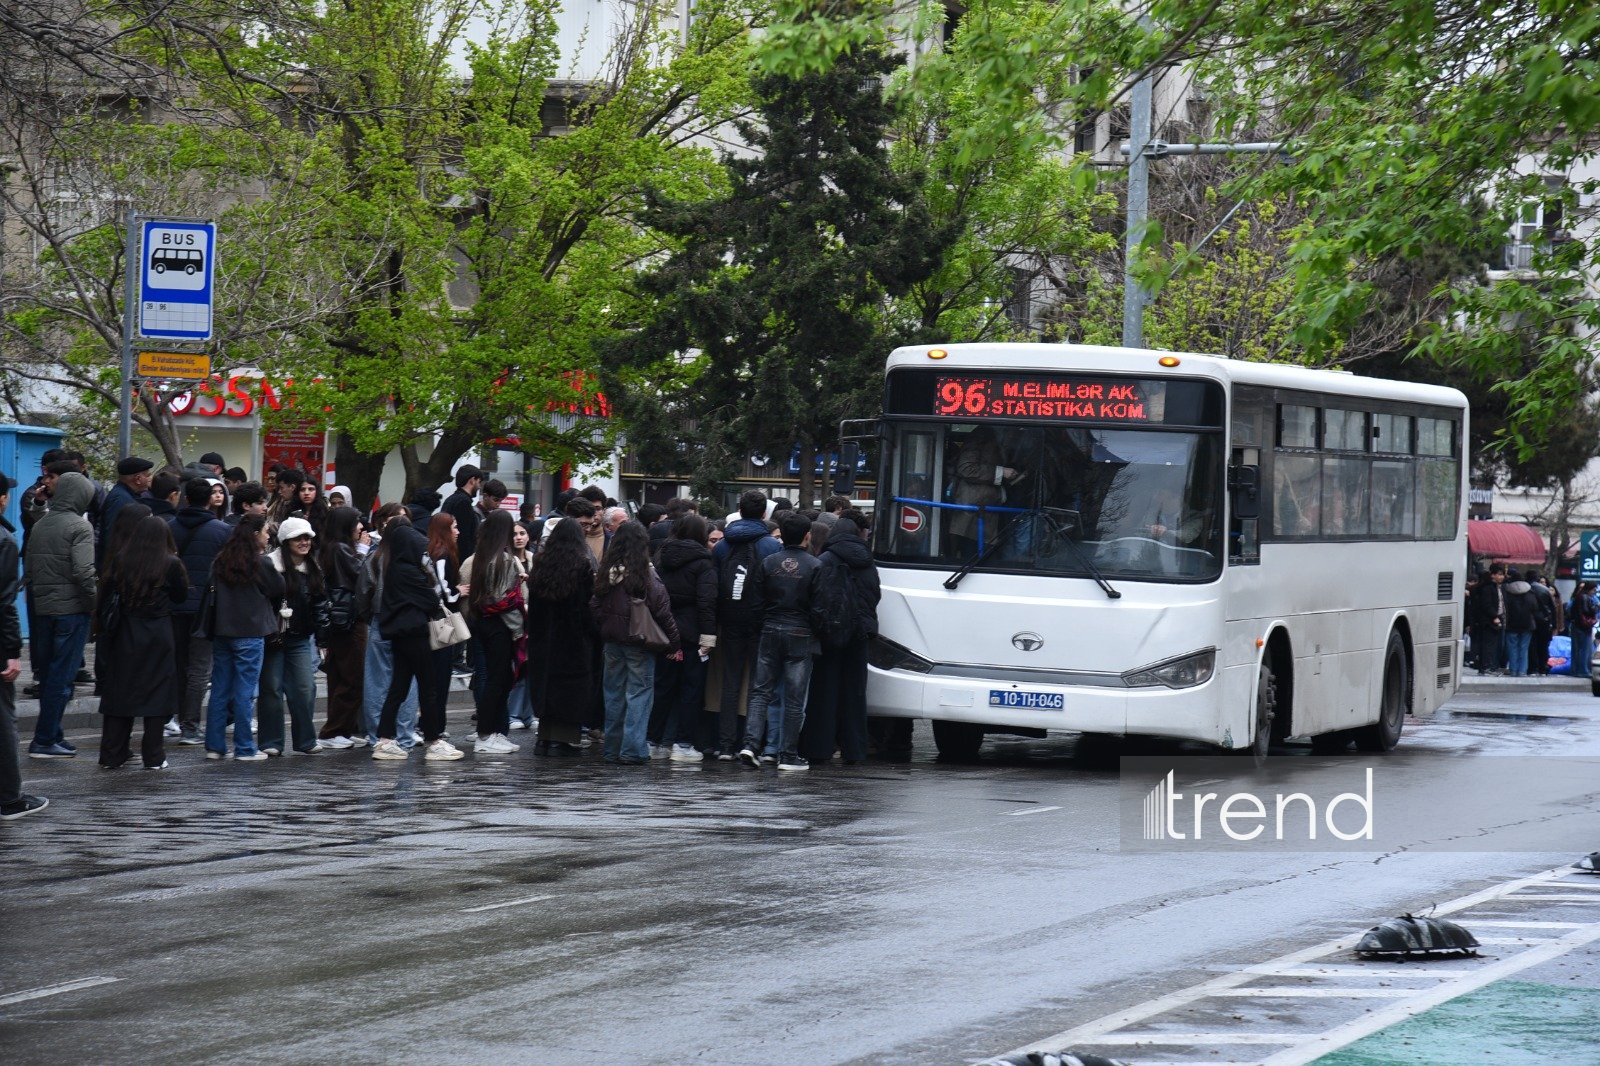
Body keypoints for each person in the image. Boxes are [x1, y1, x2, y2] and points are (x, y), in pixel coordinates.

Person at [95, 517, 188, 769]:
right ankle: (154, 755)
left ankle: (112, 752)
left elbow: (106, 593)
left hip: (125, 630)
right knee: (157, 693)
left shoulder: (121, 559)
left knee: (120, 690)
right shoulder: (171, 563)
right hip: (158, 632)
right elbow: (181, 596)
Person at [370, 518, 463, 761]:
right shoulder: (410, 572)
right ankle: (433, 740)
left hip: (402, 635)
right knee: (428, 687)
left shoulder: (394, 568)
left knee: (398, 687)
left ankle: (385, 739)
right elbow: (432, 600)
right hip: (415, 634)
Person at [23, 470, 98, 758]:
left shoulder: (42, 523)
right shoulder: (80, 527)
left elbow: (30, 566)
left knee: (48, 673)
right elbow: (83, 571)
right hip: (72, 610)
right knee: (62, 677)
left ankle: (53, 733)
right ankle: (44, 739)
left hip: (43, 608)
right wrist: (92, 601)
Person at [590, 521, 679, 764]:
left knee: (613, 695)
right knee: (639, 695)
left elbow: (594, 605)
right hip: (639, 642)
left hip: (612, 642)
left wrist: (607, 625)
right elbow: (662, 611)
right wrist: (674, 642)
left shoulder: (607, 572)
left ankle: (612, 748)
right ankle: (632, 750)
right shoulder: (645, 574)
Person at [739, 513, 821, 771]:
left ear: (781, 536)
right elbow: (821, 606)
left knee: (761, 691)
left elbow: (754, 601)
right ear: (807, 536)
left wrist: (760, 626)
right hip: (800, 631)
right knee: (795, 697)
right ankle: (788, 754)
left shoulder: (768, 562)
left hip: (770, 628)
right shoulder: (816, 566)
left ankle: (751, 744)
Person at [800, 509, 880, 765]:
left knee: (824, 690)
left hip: (830, 632)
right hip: (860, 631)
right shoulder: (867, 561)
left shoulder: (825, 558)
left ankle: (818, 747)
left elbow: (816, 595)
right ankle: (854, 749)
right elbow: (874, 594)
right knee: (855, 692)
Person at [205, 515, 284, 760]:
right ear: (255, 534)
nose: (268, 536)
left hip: (222, 630)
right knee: (245, 690)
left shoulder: (221, 561)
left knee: (220, 689)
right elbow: (278, 588)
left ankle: (215, 746)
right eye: (265, 531)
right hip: (250, 632)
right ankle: (244, 747)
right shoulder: (260, 563)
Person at [712, 489, 782, 758]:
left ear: (739, 511)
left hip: (730, 618)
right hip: (760, 620)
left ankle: (725, 744)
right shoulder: (771, 546)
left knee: (730, 681)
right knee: (758, 684)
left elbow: (714, 585)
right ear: (764, 513)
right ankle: (751, 743)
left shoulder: (722, 545)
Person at [166, 478, 231, 745]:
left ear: (186, 498)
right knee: (199, 668)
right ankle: (190, 726)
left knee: (179, 664)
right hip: (206, 606)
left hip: (174, 604)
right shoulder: (222, 531)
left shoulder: (170, 527)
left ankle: (177, 719)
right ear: (208, 500)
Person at [525, 518, 597, 756]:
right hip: (572, 638)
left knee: (546, 686)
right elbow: (585, 606)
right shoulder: (581, 565)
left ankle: (544, 739)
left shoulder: (541, 563)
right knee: (569, 690)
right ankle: (561, 740)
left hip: (542, 636)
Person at [257, 516, 328, 756]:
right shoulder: (269, 564)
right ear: (286, 541)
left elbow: (320, 604)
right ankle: (271, 742)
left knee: (305, 688)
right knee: (271, 688)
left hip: (300, 637)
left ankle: (306, 740)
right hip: (272, 638)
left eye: (307, 537)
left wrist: (323, 638)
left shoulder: (313, 568)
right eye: (298, 538)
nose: (304, 542)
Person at [651, 514, 717, 762]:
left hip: (664, 631)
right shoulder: (704, 562)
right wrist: (708, 636)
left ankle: (653, 740)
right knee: (691, 689)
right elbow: (707, 602)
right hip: (692, 633)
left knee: (662, 687)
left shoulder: (661, 557)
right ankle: (683, 744)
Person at [0, 472, 48, 818]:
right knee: (3, 719)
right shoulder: (4, 541)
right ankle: (8, 797)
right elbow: (4, 603)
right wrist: (12, 651)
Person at [460, 510, 524, 753]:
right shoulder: (504, 560)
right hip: (501, 624)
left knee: (498, 679)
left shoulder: (480, 557)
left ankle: (493, 732)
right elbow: (502, 598)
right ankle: (486, 735)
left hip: (483, 621)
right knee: (498, 680)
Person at [360, 506, 420, 751]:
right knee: (408, 680)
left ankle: (379, 737)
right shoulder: (418, 556)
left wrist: (370, 615)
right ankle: (404, 735)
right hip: (410, 623)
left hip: (381, 619)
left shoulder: (376, 556)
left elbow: (363, 592)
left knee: (378, 681)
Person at [317, 506, 369, 748]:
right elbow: (360, 575)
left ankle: (341, 729)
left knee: (340, 675)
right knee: (352, 675)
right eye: (357, 522)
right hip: (348, 618)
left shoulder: (332, 547)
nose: (361, 527)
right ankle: (334, 731)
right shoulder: (341, 549)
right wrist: (363, 551)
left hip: (341, 617)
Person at [949, 427, 1017, 557]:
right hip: (973, 513)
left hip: (990, 509)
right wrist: (1001, 472)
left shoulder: (1000, 438)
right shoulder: (981, 435)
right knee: (973, 556)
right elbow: (966, 468)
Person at [1469, 563, 1507, 675]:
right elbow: (1487, 605)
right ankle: (1486, 667)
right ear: (1493, 575)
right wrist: (1494, 616)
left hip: (1495, 619)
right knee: (1488, 645)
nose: (1501, 577)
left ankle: (1486, 667)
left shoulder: (1496, 587)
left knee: (1491, 645)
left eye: (1502, 575)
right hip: (1488, 621)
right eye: (1499, 574)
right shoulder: (1488, 588)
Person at [442, 464, 484, 561]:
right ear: (472, 480)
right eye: (479, 482)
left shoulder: (451, 499)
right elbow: (464, 538)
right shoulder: (463, 503)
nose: (479, 486)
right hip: (459, 560)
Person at [1501, 568, 1537, 677]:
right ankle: (1522, 671)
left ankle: (1513, 670)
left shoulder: (1507, 592)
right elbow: (1535, 607)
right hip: (1527, 624)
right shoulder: (1530, 592)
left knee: (1512, 648)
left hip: (1511, 624)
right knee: (1524, 648)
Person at [1527, 570, 1557, 676]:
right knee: (1543, 646)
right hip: (1544, 620)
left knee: (1531, 645)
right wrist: (1554, 624)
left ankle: (1533, 668)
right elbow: (1552, 608)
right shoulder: (1544, 589)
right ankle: (1542, 668)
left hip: (1530, 620)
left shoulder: (1526, 588)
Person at [1569, 581, 1598, 680]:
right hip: (1584, 626)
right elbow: (1587, 611)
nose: (1594, 592)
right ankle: (1583, 670)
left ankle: (1575, 670)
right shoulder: (1586, 597)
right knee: (1585, 649)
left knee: (1577, 649)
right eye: (1594, 589)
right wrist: (1596, 607)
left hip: (1577, 625)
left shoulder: (1578, 597)